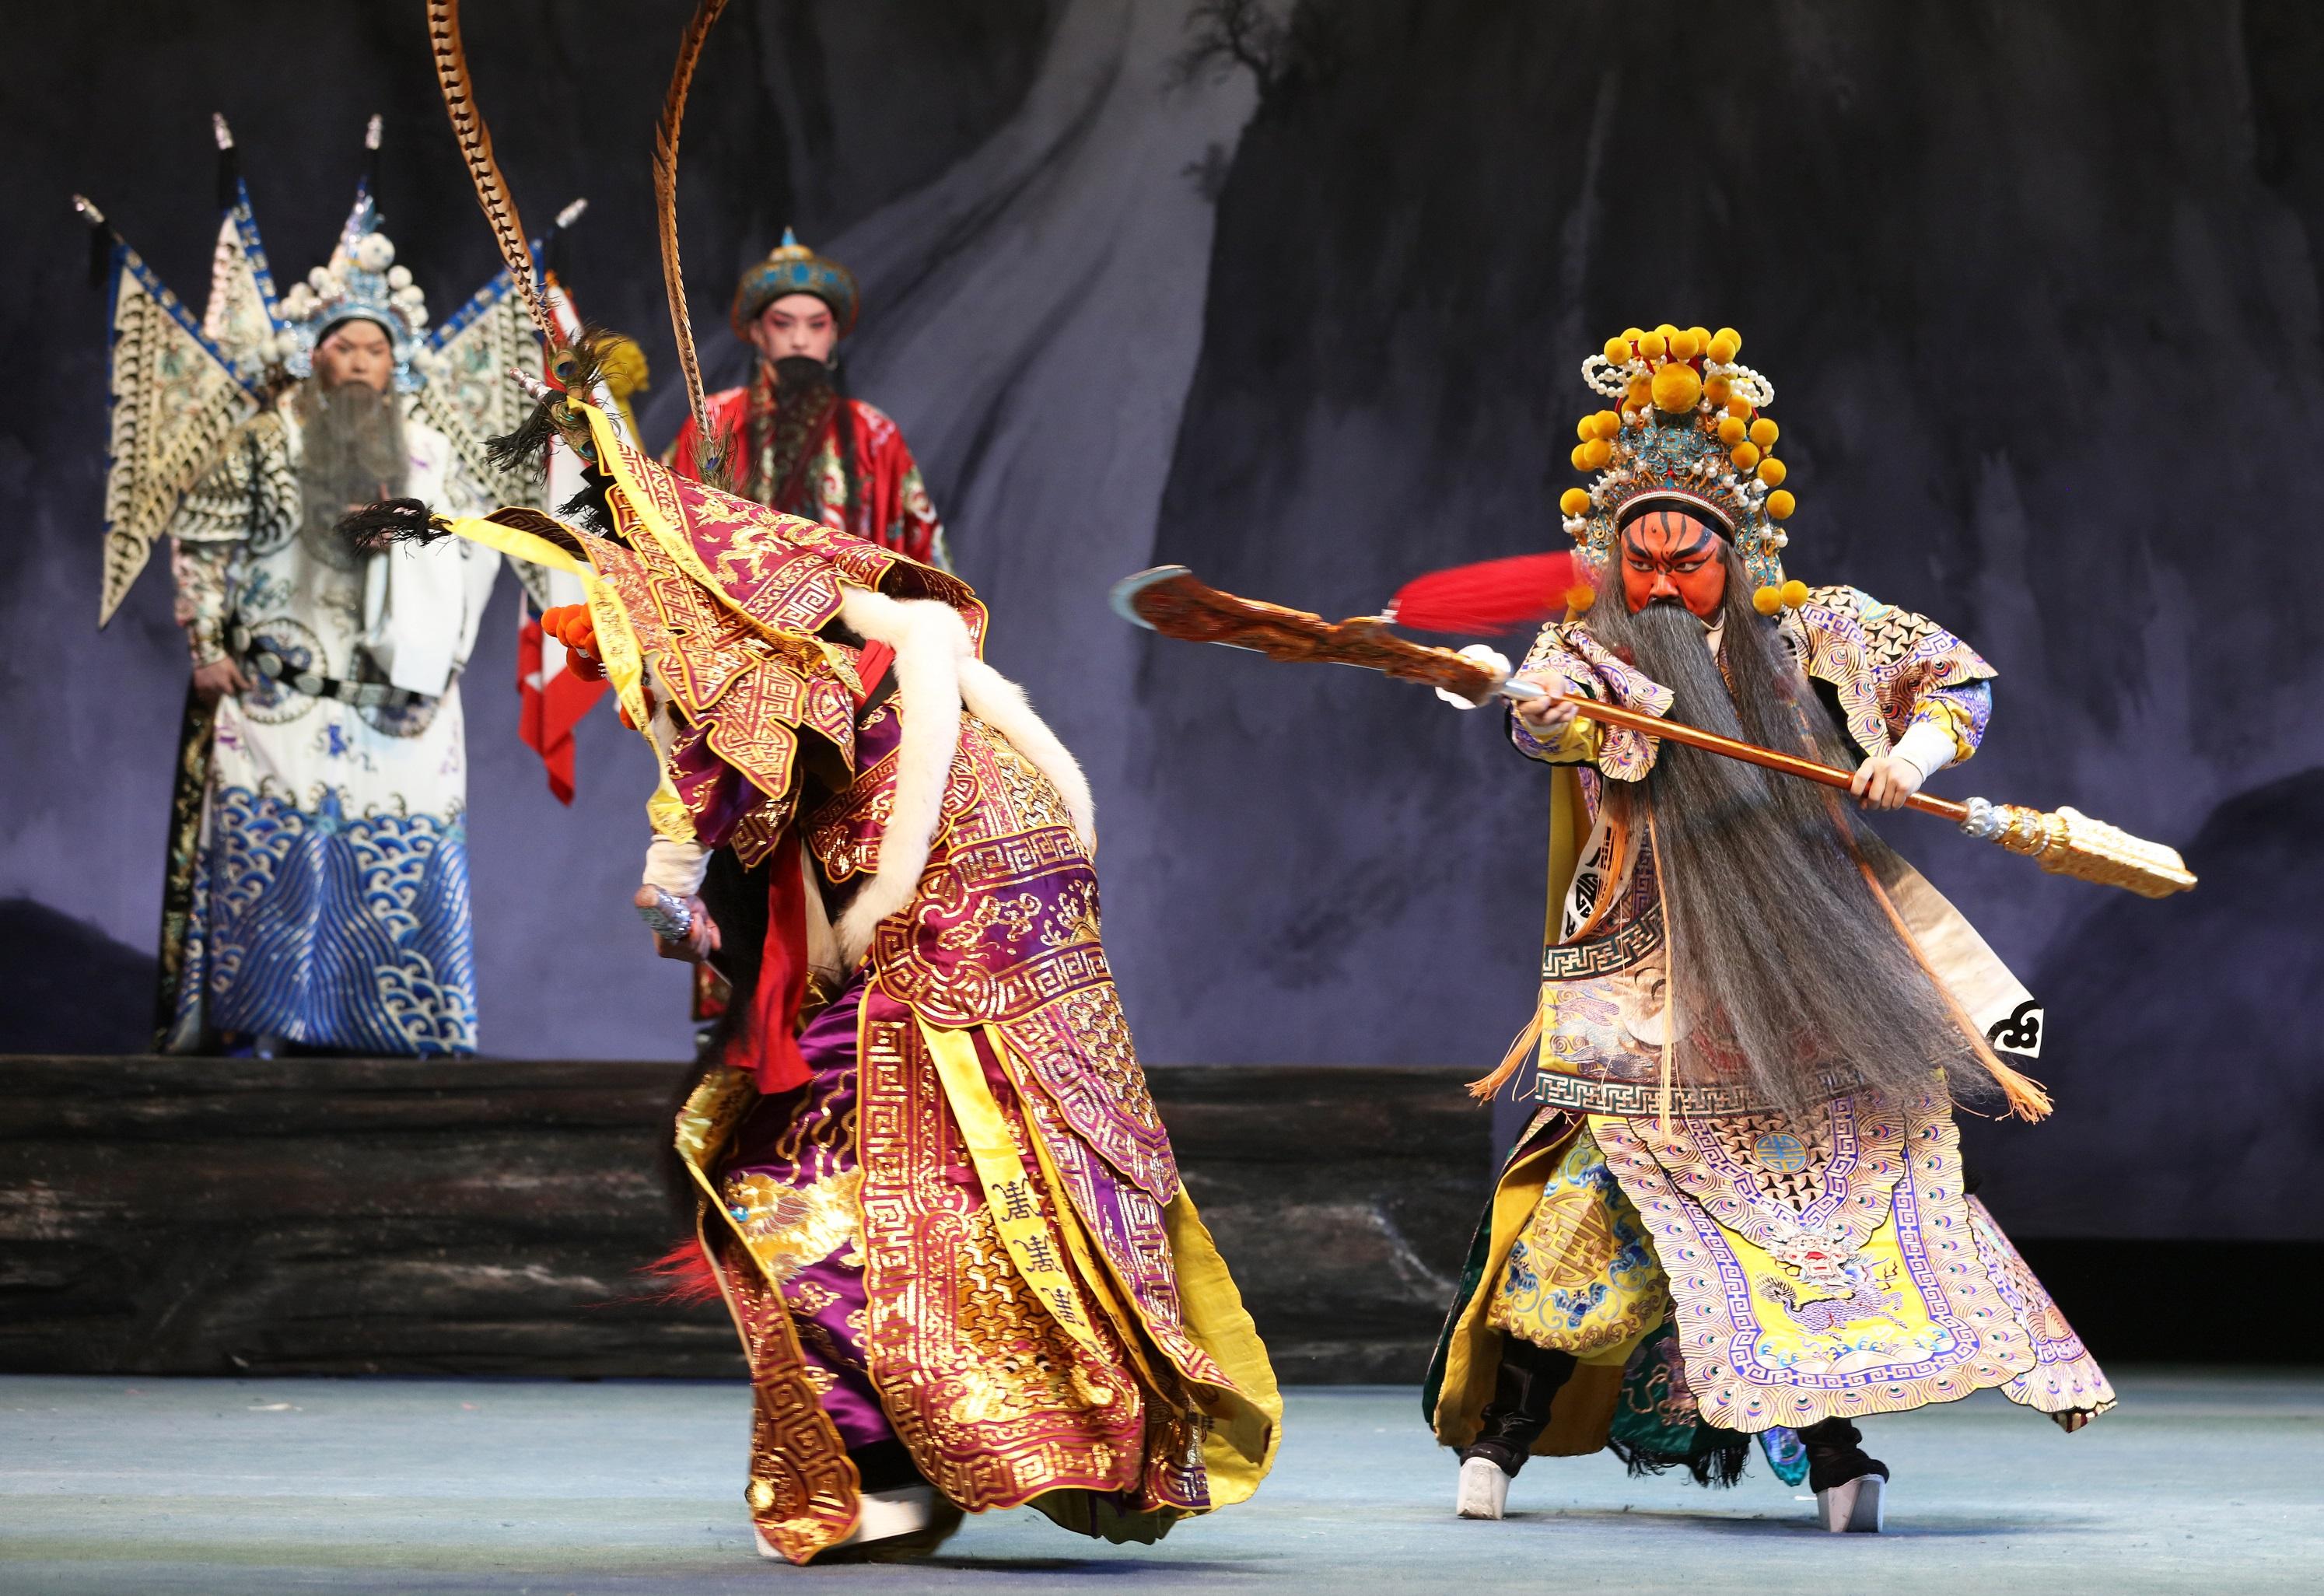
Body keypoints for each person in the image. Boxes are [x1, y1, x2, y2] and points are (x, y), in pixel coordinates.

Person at [392, 385, 1278, 1563]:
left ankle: (890, 1470)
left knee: (794, 1168)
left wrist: (678, 889)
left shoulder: (735, 622)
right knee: (962, 1169)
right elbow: (739, 789)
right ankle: (939, 1454)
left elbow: (737, 778)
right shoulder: (784, 592)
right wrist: (694, 890)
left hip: (940, 904)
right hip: (992, 892)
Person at [1423, 324, 2112, 1533]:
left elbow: (1957, 680)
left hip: (1806, 970)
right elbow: (1553, 725)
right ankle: (1501, 1440)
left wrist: (1905, 758)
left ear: (1734, 556)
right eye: (1638, 564)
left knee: (1812, 1212)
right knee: (1600, 1204)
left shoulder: (1815, 629)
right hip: (1650, 977)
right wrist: (1508, 690)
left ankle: (1838, 1458)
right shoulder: (1588, 651)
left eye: (1686, 563)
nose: (1660, 588)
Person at [154, 194, 503, 1054]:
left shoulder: (429, 454)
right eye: (343, 346)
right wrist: (206, 646)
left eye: (375, 350)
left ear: (396, 362)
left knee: (396, 866)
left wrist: (412, 548)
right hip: (280, 696)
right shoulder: (263, 441)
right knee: (268, 858)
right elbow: (204, 541)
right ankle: (259, 1026)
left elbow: (477, 547)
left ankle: (396, 1031)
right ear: (313, 355)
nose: (359, 363)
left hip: (393, 702)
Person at [667, 229, 948, 569]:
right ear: (758, 332)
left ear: (833, 334)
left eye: (817, 325)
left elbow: (921, 555)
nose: (800, 340)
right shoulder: (713, 421)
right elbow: (670, 524)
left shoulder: (873, 433)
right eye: (783, 324)